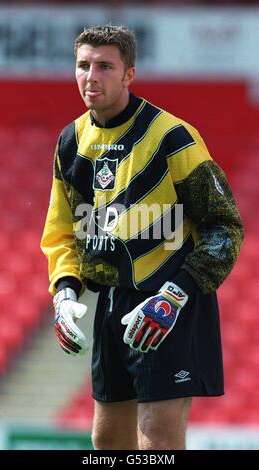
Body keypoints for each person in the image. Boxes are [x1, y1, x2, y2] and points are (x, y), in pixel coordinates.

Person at [41, 25, 243, 450]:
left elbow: (224, 228)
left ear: (129, 74)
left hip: (172, 303)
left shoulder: (172, 136)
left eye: (104, 66)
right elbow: (61, 233)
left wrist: (175, 295)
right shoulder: (71, 141)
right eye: (83, 65)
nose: (91, 76)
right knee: (106, 442)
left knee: (158, 442)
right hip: (114, 303)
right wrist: (63, 295)